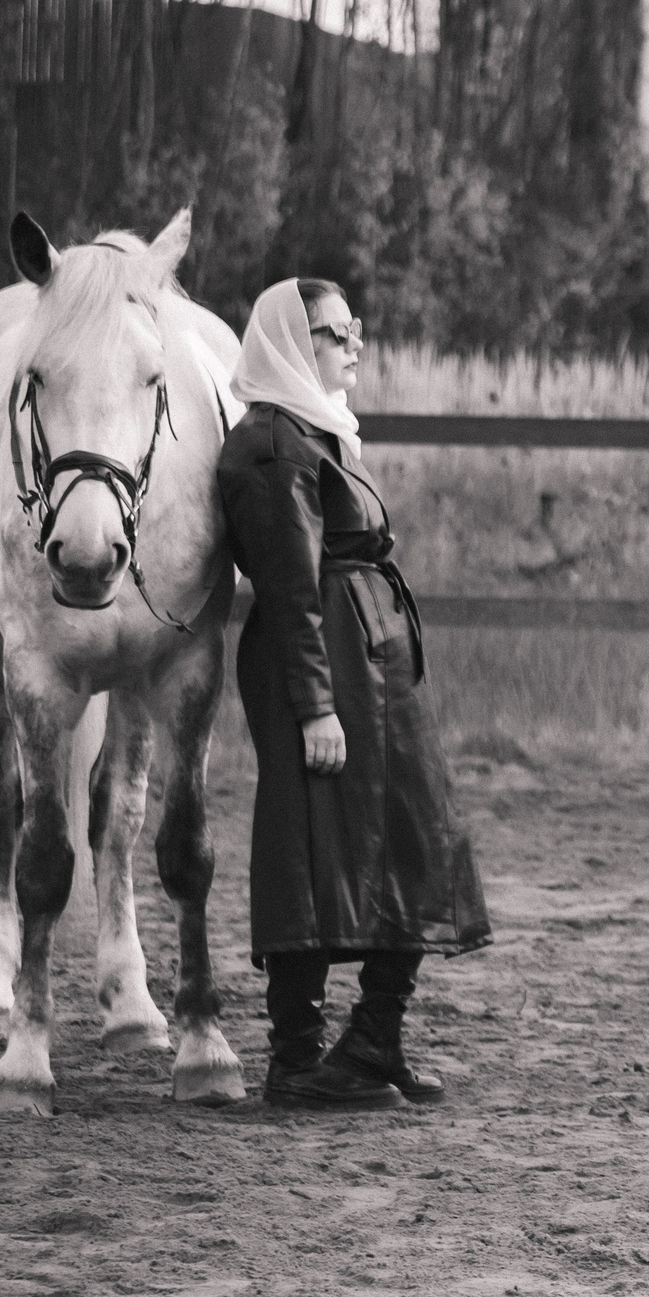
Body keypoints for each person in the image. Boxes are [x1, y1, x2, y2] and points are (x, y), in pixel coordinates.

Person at [218, 279, 491, 1112]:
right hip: (327, 658)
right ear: (297, 344)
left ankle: (374, 1039)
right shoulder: (270, 446)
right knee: (312, 846)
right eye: (338, 333)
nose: (356, 344)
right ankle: (297, 1060)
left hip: (371, 653)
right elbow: (291, 588)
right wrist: (314, 705)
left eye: (355, 329)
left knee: (418, 834)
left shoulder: (318, 426)